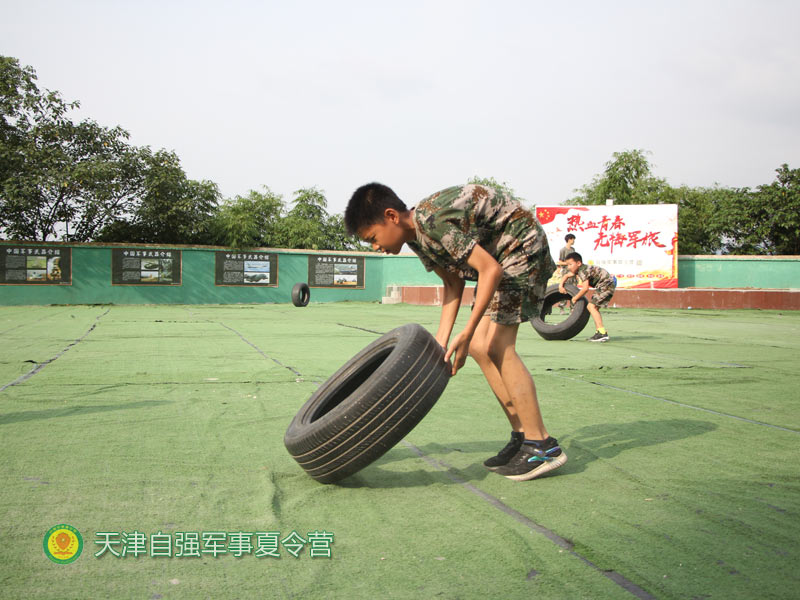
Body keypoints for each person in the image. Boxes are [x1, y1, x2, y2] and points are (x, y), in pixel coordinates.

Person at [344, 183, 567, 481]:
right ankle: (522, 434)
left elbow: (490, 271)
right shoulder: (416, 238)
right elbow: (452, 284)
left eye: (372, 238)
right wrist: (441, 344)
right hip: (502, 257)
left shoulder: (431, 221)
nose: (375, 247)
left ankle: (542, 445)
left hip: (521, 248)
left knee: (498, 346)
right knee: (477, 347)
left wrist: (467, 329)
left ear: (391, 217)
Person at [559, 252, 617, 342]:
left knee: (591, 307)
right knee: (594, 308)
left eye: (570, 264)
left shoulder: (583, 271)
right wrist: (560, 286)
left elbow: (585, 289)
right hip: (605, 284)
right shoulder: (580, 269)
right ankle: (600, 332)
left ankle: (602, 333)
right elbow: (566, 275)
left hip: (606, 284)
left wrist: (575, 298)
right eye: (567, 265)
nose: (569, 267)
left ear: (578, 263)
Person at [555, 234, 576, 313]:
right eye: (573, 239)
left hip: (573, 272)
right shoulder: (563, 250)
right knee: (565, 288)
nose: (574, 241)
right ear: (569, 239)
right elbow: (560, 262)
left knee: (573, 289)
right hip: (565, 272)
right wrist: (568, 264)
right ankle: (562, 307)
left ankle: (572, 308)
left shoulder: (573, 249)